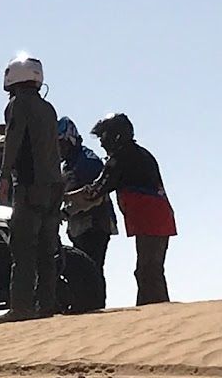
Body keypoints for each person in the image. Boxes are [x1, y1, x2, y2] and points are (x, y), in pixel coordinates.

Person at [0, 56, 63, 323]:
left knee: (23, 249)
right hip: (54, 187)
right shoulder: (48, 108)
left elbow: (14, 138)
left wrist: (4, 175)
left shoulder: (17, 104)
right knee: (47, 250)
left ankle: (21, 308)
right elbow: (28, 129)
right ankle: (47, 305)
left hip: (30, 185)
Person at [66, 113, 176, 305]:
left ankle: (156, 310)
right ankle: (157, 308)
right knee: (150, 269)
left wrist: (64, 203)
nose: (101, 143)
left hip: (150, 217)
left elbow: (95, 191)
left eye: (103, 137)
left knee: (148, 270)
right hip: (157, 216)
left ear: (115, 136)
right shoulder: (138, 153)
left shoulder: (120, 159)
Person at [57, 116, 118, 309]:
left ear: (70, 139)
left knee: (92, 268)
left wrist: (66, 212)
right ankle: (84, 306)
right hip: (79, 225)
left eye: (60, 143)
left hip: (94, 224)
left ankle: (94, 307)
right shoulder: (69, 162)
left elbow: (95, 195)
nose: (57, 149)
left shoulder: (87, 161)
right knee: (82, 268)